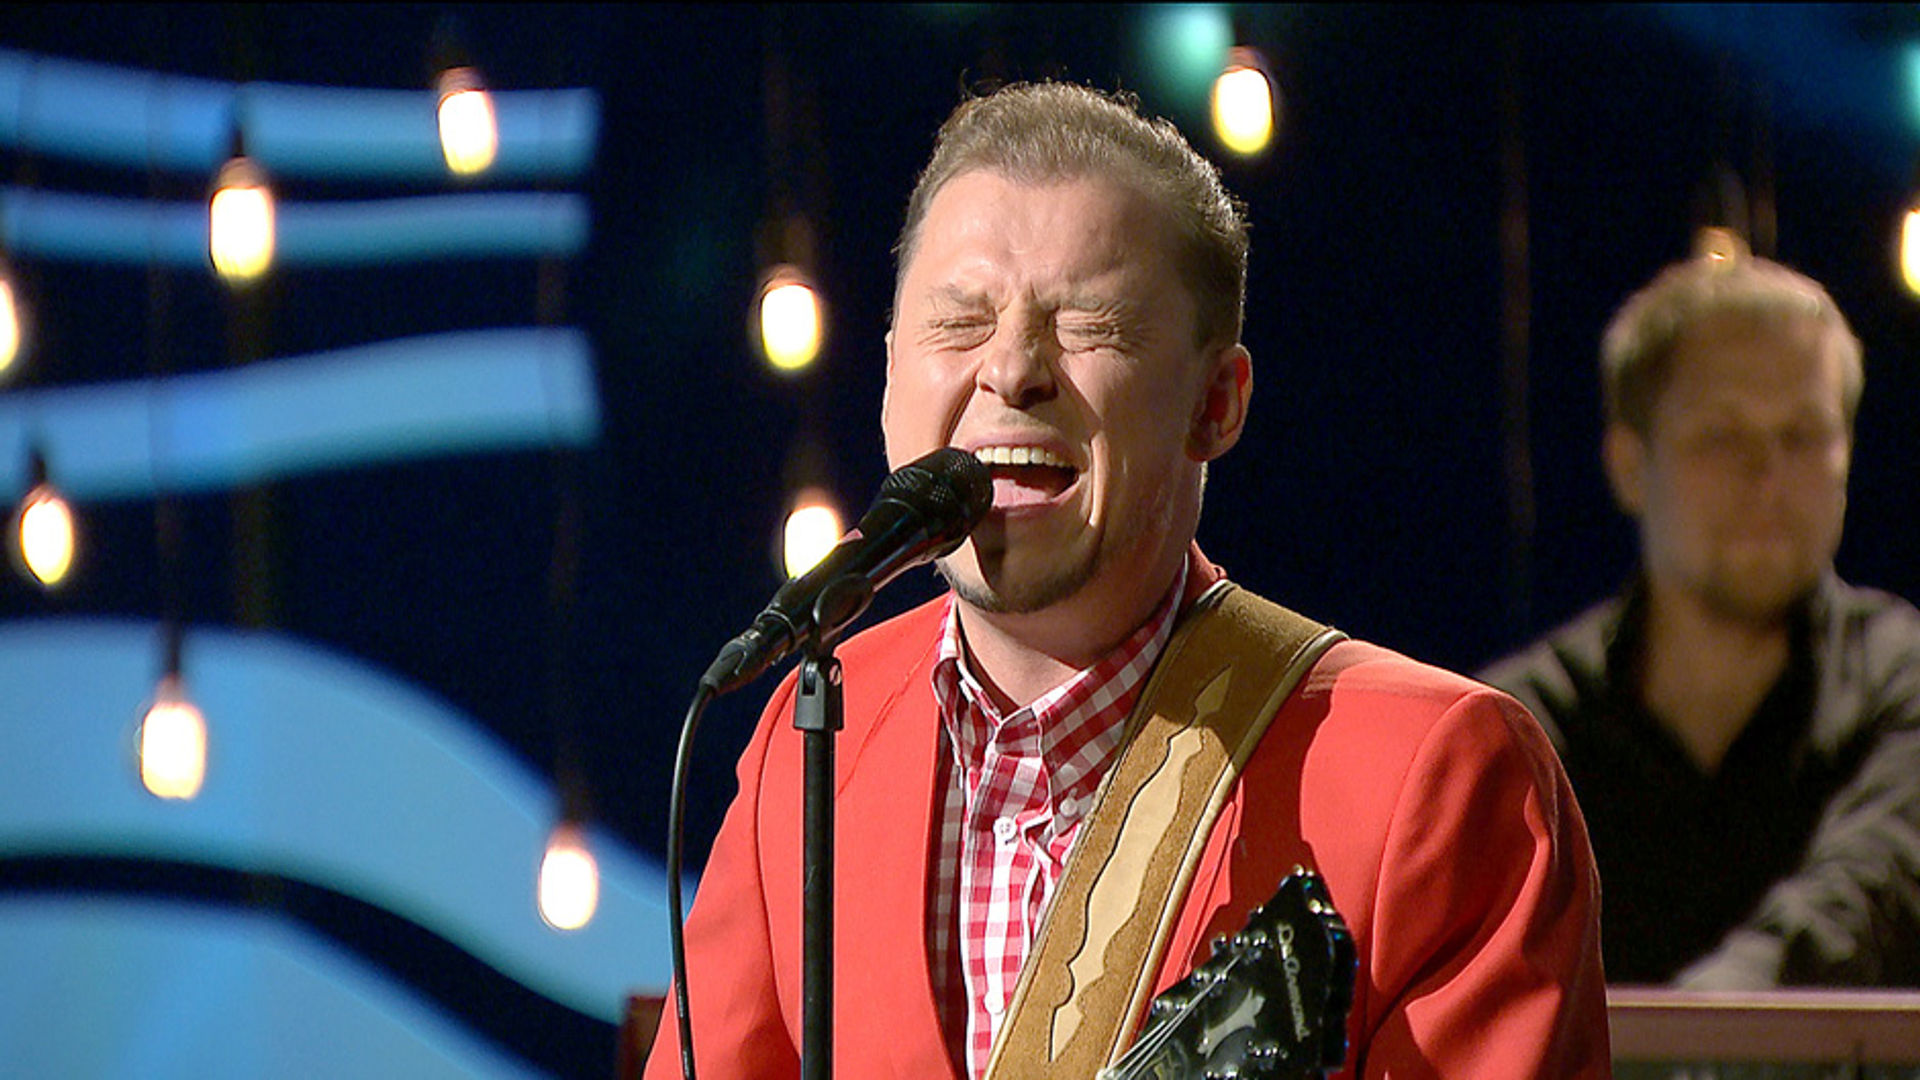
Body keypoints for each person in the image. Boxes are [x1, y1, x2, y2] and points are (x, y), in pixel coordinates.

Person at [647, 81, 1610, 1079]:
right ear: (890, 378)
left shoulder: (1439, 779)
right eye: (960, 324)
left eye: (1087, 325)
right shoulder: (811, 744)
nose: (1011, 370)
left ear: (1217, 403)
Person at [1480, 252, 1920, 988]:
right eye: (1721, 434)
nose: (1767, 476)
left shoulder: (1902, 684)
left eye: (1803, 433)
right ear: (1629, 466)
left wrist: (1692, 1033)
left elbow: (1873, 895)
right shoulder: (1518, 727)